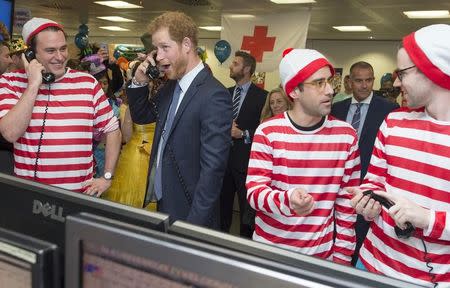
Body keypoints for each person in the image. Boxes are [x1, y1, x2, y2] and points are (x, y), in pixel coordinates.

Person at [350, 24, 450, 287]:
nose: (395, 82)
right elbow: (374, 181)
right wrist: (367, 203)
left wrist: (428, 219)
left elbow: (428, 219)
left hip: (434, 279)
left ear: (433, 71)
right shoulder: (393, 122)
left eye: (401, 73)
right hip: (370, 264)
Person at [246, 48, 360, 265]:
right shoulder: (268, 131)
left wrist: (342, 259)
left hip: (320, 259)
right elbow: (254, 192)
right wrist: (287, 200)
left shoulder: (346, 136)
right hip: (269, 254)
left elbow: (347, 204)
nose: (329, 90)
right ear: (294, 92)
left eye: (329, 81)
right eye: (318, 83)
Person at [126, 11, 231, 228]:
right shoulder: (171, 86)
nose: (159, 56)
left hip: (191, 211)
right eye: (156, 50)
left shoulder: (214, 95)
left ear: (186, 44)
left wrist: (193, 227)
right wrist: (139, 82)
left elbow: (212, 171)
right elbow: (143, 116)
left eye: (165, 47)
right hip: (166, 201)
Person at [0, 17, 122, 196]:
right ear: (31, 55)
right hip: (28, 197)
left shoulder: (87, 83)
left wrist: (107, 176)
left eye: (63, 48)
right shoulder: (9, 82)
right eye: (50, 50)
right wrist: (34, 84)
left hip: (79, 196)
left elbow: (113, 130)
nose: (60, 57)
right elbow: (10, 133)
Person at [331, 61, 399, 265]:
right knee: (339, 229)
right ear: (350, 82)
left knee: (361, 231)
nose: (364, 85)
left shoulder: (388, 109)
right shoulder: (336, 108)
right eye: (358, 81)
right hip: (339, 180)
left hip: (370, 184)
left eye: (368, 80)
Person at [220, 50, 267, 237]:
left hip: (246, 163)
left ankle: (245, 248)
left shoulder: (262, 97)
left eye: (235, 63)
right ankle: (218, 242)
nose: (231, 66)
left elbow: (266, 132)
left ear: (246, 69)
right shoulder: (225, 93)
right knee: (222, 207)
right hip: (223, 160)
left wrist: (243, 134)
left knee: (247, 212)